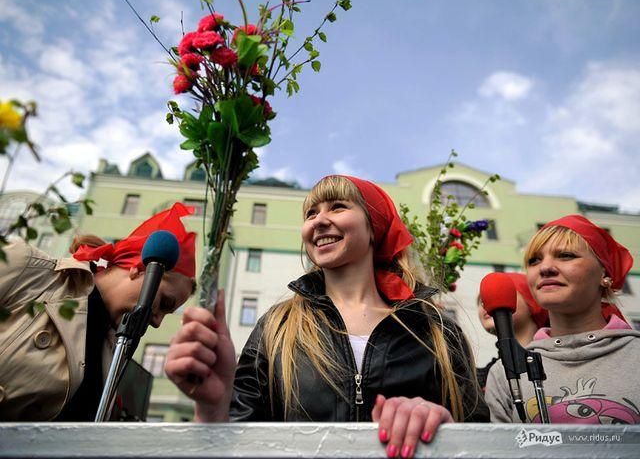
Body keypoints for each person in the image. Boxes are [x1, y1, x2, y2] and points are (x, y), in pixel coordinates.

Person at [166, 175, 488, 458]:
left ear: (374, 227)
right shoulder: (277, 328)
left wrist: (445, 429)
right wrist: (213, 411)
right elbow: (234, 445)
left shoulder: (435, 330)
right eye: (311, 213)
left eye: (337, 207)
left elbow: (482, 443)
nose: (319, 221)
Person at [0, 202, 196, 421]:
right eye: (164, 303)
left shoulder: (113, 357)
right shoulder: (29, 270)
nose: (158, 322)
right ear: (139, 269)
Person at [485, 214, 640, 424]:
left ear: (605, 272)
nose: (545, 267)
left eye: (566, 255)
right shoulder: (505, 373)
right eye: (534, 260)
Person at [476, 273, 549, 390]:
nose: (485, 304)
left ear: (532, 303)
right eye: (481, 301)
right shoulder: (479, 378)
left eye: (500, 293)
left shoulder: (555, 361)